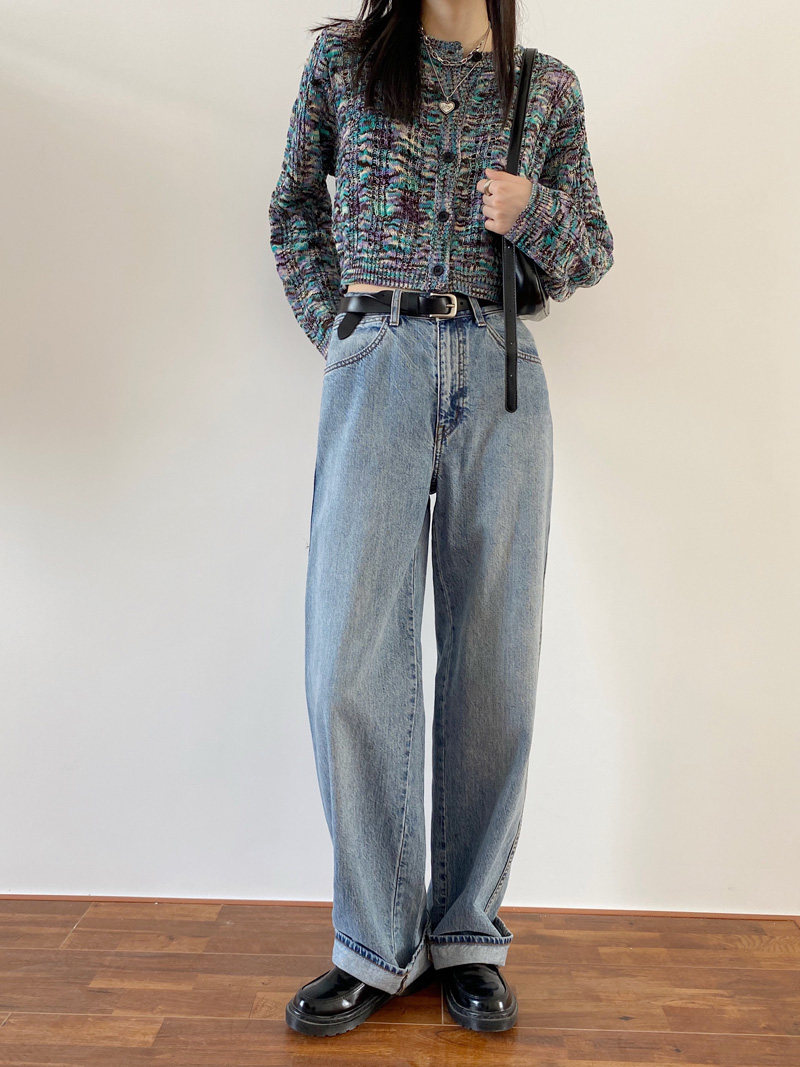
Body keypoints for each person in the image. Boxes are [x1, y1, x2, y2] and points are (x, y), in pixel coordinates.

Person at [269, 0, 613, 1038]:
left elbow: (591, 248)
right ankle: (374, 942)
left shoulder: (543, 87)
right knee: (346, 658)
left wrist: (532, 211)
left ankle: (466, 934)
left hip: (502, 372)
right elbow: (293, 206)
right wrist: (339, 327)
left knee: (494, 662)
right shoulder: (344, 65)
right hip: (376, 354)